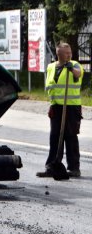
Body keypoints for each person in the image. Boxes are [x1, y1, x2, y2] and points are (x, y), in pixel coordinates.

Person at [37, 42, 84, 178]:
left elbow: (78, 73)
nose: (69, 55)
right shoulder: (51, 67)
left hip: (71, 106)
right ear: (59, 54)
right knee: (55, 137)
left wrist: (70, 69)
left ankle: (74, 168)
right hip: (56, 106)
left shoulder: (74, 64)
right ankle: (51, 166)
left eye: (70, 52)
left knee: (70, 136)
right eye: (66, 53)